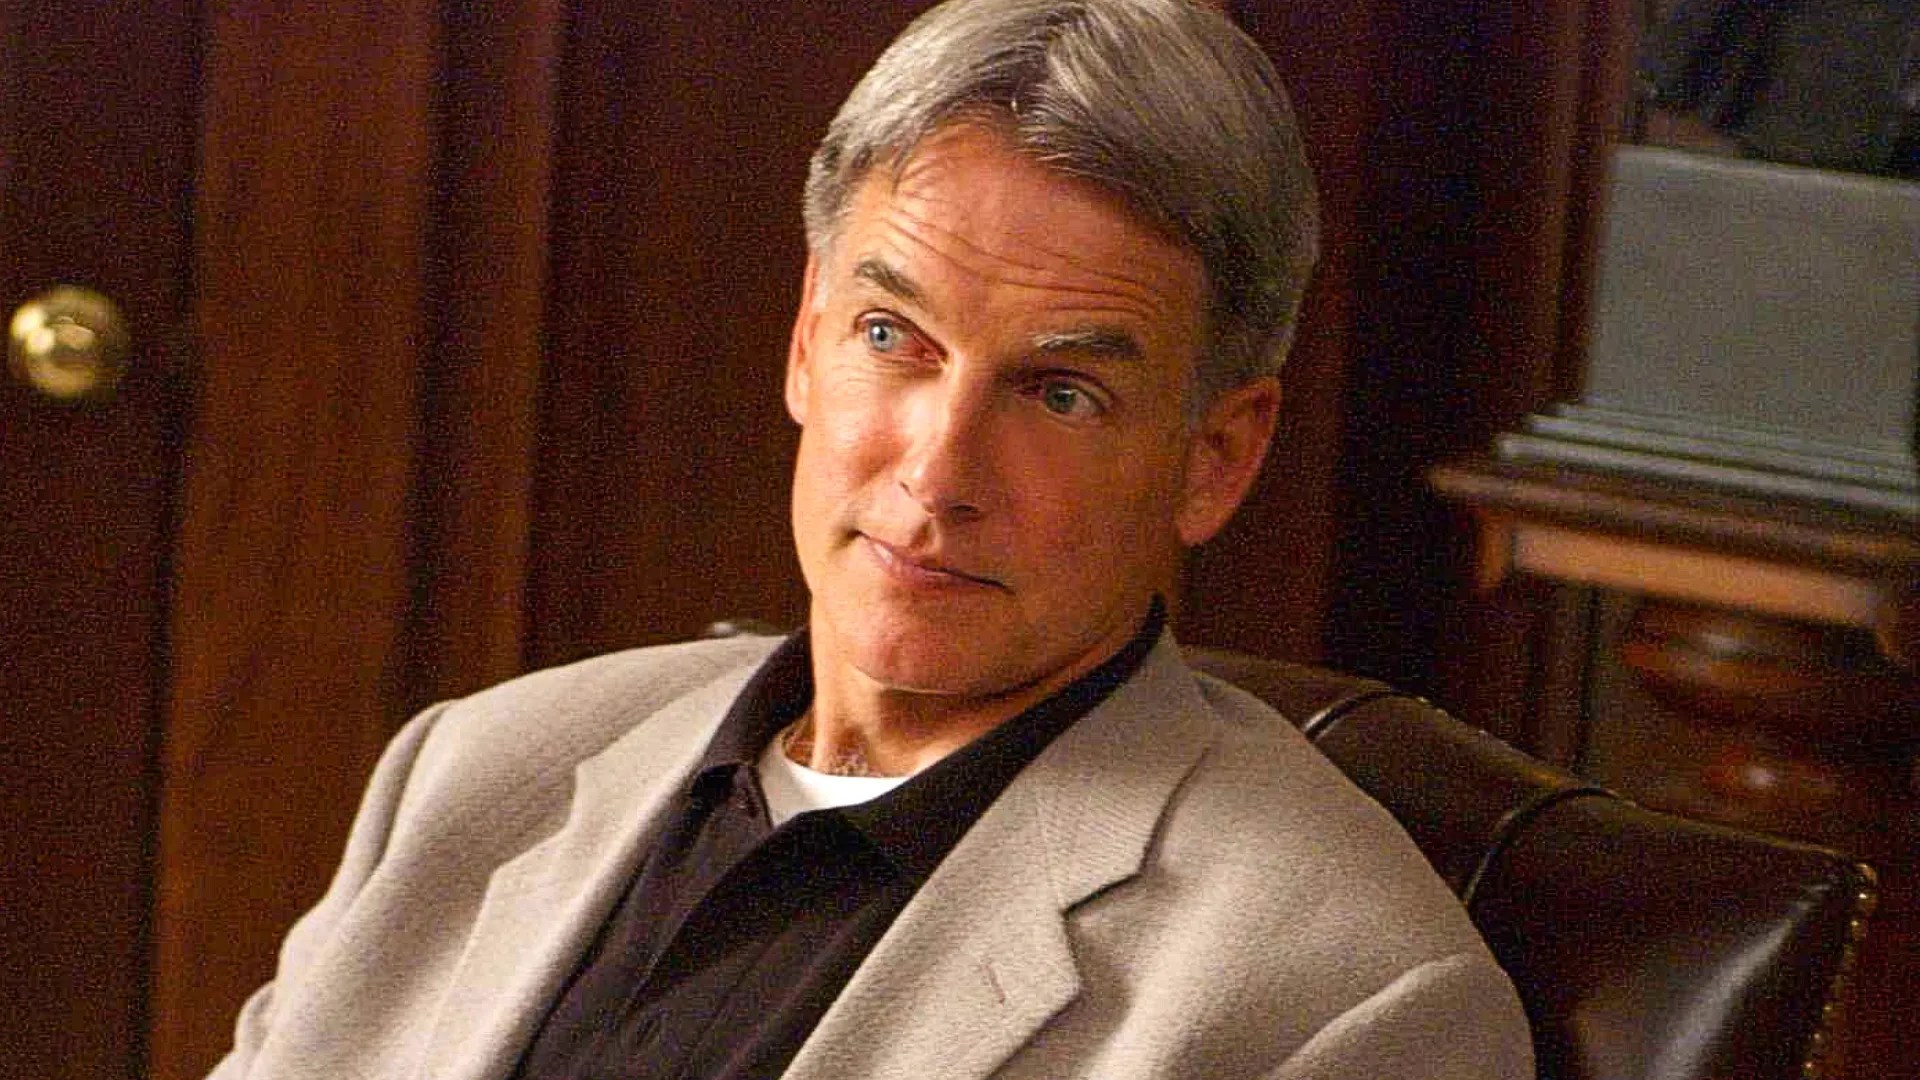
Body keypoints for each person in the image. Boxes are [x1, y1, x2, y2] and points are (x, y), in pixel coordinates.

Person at [208, 1, 1534, 1077]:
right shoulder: (476, 772)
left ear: (1216, 457)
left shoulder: (1338, 1003)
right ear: (807, 337)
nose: (938, 470)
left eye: (1061, 393)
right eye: (893, 337)